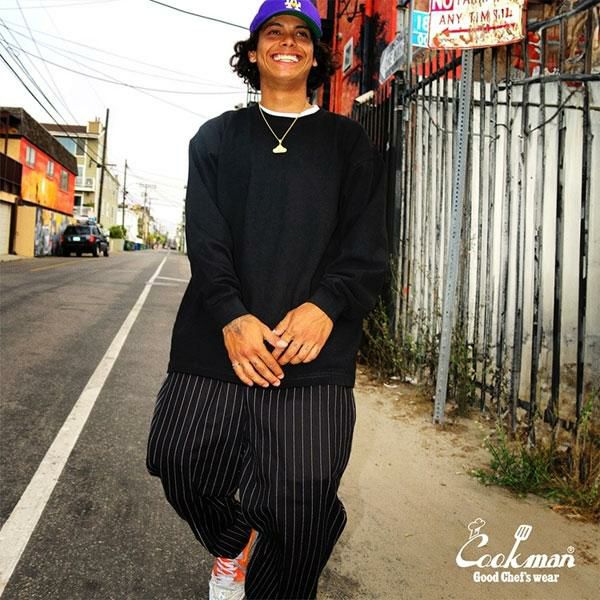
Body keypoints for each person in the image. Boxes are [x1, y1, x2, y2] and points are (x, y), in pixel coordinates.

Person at [146, 1, 388, 598]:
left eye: (301, 34)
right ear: (253, 53)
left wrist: (326, 305)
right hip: (218, 343)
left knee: (300, 502)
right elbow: (205, 239)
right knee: (177, 460)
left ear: (316, 54)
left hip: (311, 352)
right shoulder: (216, 137)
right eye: (273, 32)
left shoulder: (347, 142)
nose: (288, 41)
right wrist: (231, 315)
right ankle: (233, 542)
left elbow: (366, 244)